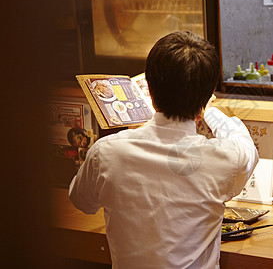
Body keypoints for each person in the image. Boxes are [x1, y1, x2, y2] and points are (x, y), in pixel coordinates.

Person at [68, 31, 259, 268]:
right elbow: (244, 143)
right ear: (206, 97)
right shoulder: (224, 159)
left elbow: (81, 201)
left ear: (148, 89)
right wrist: (207, 109)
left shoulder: (106, 152)